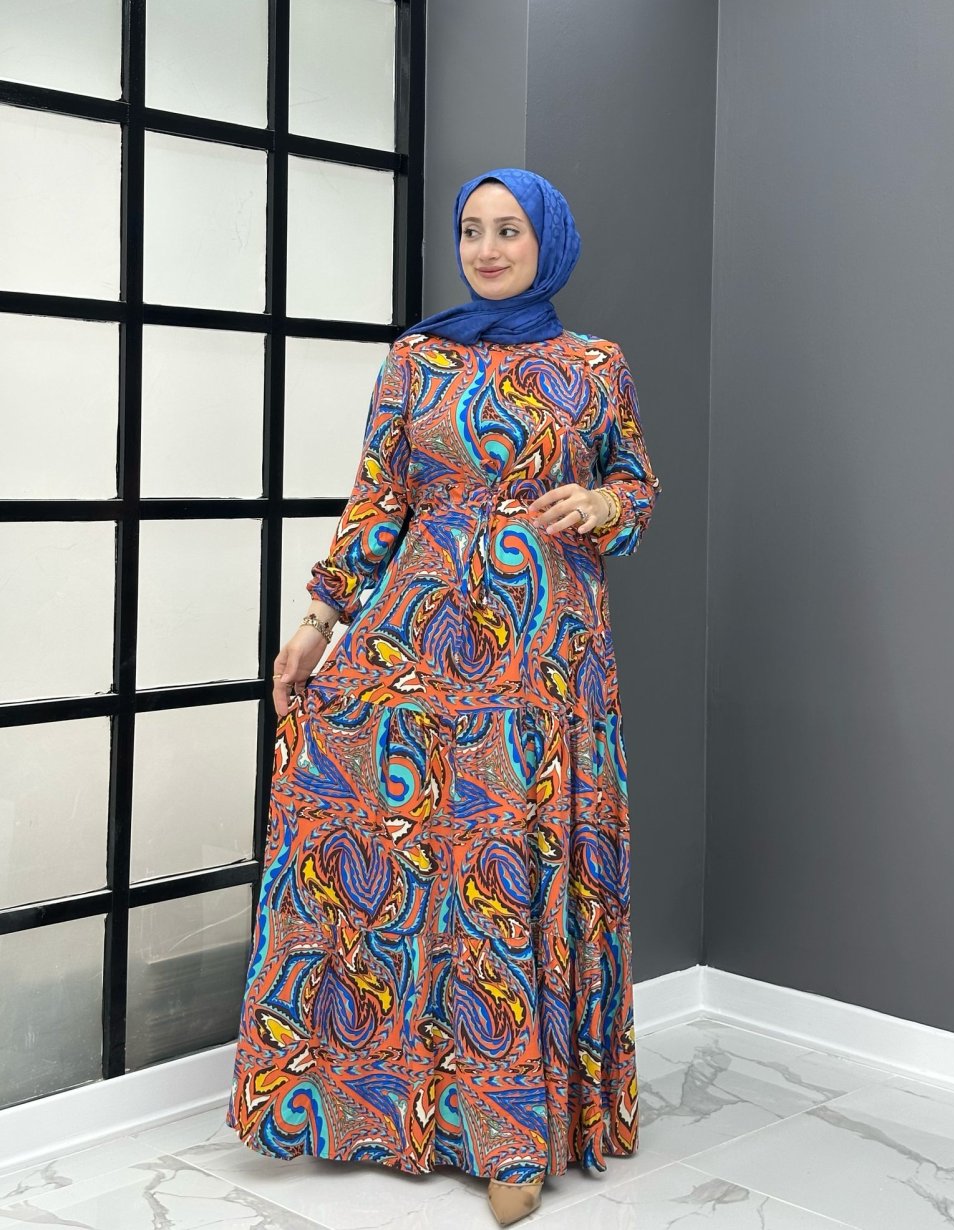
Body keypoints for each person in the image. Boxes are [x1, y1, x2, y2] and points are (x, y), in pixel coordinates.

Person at [226, 167, 661, 1227]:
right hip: (416, 636)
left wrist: (601, 502)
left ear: (547, 243)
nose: (486, 249)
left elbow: (638, 487)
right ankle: (362, 1102)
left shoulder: (594, 365)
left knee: (504, 869)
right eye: (471, 230)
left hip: (540, 650)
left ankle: (515, 1136)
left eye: (508, 230)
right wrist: (318, 621)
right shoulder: (416, 360)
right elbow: (379, 496)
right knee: (374, 849)